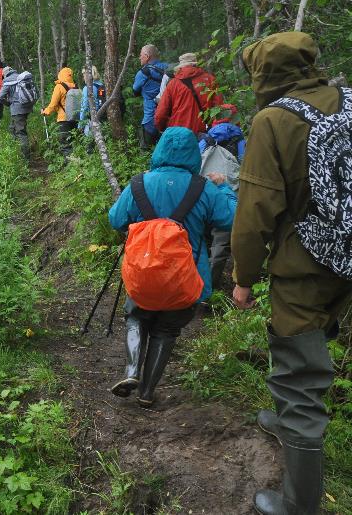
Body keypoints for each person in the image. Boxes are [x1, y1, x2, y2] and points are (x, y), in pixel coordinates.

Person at [231, 31, 352, 515]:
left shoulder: (273, 121)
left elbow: (254, 210)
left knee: (299, 373)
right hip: (349, 253)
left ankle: (300, 505)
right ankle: (287, 423)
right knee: (319, 339)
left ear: (264, 74)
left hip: (305, 264)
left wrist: (243, 277)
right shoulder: (347, 101)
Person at [108, 127, 237, 407]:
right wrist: (223, 186)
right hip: (185, 276)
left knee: (136, 315)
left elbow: (116, 219)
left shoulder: (139, 183)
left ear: (160, 150)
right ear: (193, 154)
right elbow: (231, 219)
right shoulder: (203, 187)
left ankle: (131, 371)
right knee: (167, 330)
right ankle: (147, 392)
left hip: (144, 271)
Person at [198, 103, 246, 291]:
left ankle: (192, 284)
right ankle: (209, 287)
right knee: (220, 243)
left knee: (199, 239)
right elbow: (245, 165)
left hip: (203, 192)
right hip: (228, 194)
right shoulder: (240, 139)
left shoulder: (205, 139)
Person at [154, 52, 223, 135]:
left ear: (180, 67)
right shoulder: (210, 80)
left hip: (180, 135)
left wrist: (163, 128)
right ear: (196, 64)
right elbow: (219, 108)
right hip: (206, 134)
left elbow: (161, 114)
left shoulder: (173, 84)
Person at [132, 44, 169, 148]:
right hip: (169, 118)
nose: (139, 58)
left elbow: (135, 91)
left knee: (148, 153)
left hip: (150, 120)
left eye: (141, 55)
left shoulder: (143, 72)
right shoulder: (168, 68)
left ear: (147, 56)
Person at [0, 66, 36, 160]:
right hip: (27, 108)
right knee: (12, 128)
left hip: (17, 110)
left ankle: (25, 158)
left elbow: (0, 96)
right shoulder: (21, 77)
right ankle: (17, 151)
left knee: (21, 132)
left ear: (5, 74)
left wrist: (8, 103)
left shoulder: (8, 81)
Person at [43, 67, 77, 153]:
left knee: (65, 144)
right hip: (76, 118)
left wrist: (46, 111)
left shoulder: (59, 87)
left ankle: (68, 164)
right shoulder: (75, 86)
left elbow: (53, 104)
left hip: (64, 119)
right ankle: (77, 162)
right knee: (75, 142)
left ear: (60, 75)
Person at [79, 65, 105, 136]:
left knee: (89, 144)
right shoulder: (101, 86)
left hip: (92, 120)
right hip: (103, 119)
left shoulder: (87, 88)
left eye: (84, 74)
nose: (83, 77)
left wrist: (80, 124)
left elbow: (84, 107)